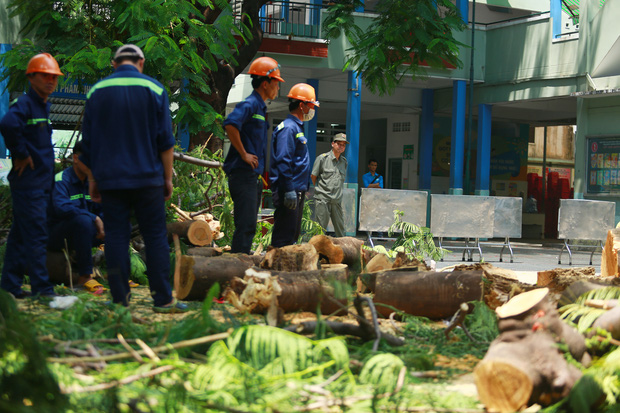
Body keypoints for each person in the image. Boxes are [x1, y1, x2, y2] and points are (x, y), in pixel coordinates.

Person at [80, 44, 185, 312]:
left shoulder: (97, 91)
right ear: (141, 62)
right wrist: (167, 178)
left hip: (111, 180)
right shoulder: (155, 89)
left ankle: (120, 301)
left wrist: (93, 179)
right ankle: (163, 300)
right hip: (147, 179)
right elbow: (166, 141)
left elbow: (88, 146)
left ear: (114, 64)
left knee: (115, 236)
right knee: (155, 236)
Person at [0, 53, 64, 299]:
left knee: (19, 236)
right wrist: (20, 153)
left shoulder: (42, 105)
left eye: (54, 77)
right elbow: (7, 124)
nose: (51, 81)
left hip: (39, 183)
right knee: (37, 235)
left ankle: (10, 287)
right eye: (45, 76)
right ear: (31, 77)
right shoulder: (26, 104)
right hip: (29, 185)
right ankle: (43, 290)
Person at [223, 56, 284, 254]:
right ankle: (237, 269)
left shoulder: (260, 107)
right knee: (246, 224)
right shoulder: (250, 104)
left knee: (249, 224)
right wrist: (244, 154)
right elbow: (231, 124)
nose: (278, 88)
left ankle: (240, 265)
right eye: (276, 83)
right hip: (242, 174)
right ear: (265, 84)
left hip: (252, 176)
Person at [47, 140, 106, 293]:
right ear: (76, 158)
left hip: (84, 233)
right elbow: (61, 208)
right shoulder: (61, 180)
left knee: (118, 223)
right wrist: (94, 218)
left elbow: (101, 207)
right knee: (83, 220)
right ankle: (84, 276)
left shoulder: (92, 181)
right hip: (57, 235)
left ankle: (117, 273)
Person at [269, 83, 319, 247]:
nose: (312, 109)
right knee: (284, 238)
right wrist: (289, 189)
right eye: (311, 105)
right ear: (301, 105)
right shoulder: (289, 128)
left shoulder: (296, 128)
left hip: (296, 190)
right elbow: (283, 160)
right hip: (288, 191)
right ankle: (277, 270)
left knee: (291, 237)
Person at [311, 133, 348, 237]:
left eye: (343, 145)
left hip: (336, 201)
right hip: (323, 199)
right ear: (332, 144)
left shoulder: (344, 162)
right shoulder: (322, 158)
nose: (341, 146)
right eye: (338, 143)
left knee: (341, 230)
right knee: (320, 229)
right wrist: (320, 191)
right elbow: (313, 176)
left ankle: (343, 252)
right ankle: (318, 252)